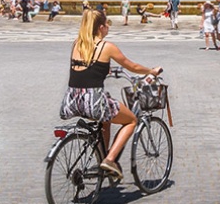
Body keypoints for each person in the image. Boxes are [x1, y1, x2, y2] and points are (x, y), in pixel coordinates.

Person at [59, 9, 162, 179]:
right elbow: (133, 67)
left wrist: (105, 71)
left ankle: (102, 159)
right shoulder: (107, 47)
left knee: (106, 123)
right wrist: (152, 71)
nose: (108, 28)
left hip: (72, 100)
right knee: (131, 120)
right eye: (107, 25)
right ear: (100, 27)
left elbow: (88, 68)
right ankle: (110, 159)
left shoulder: (77, 43)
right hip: (93, 102)